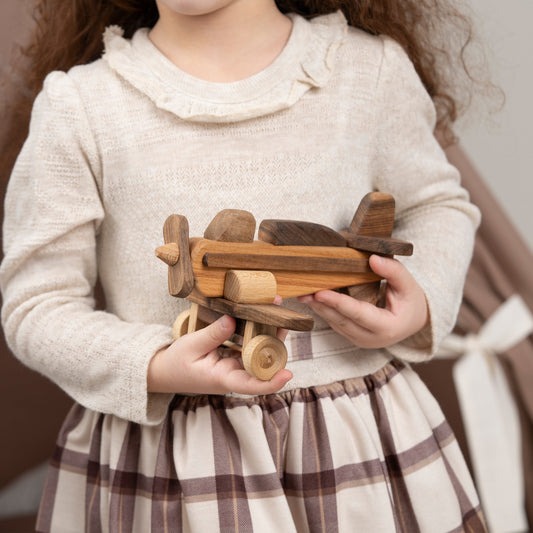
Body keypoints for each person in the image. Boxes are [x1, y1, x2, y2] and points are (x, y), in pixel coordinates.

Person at [0, 0, 489, 531]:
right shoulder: (81, 104)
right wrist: (153, 364)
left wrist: (418, 300)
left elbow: (437, 207)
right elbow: (37, 305)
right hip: (169, 468)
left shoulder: (368, 72)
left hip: (358, 445)